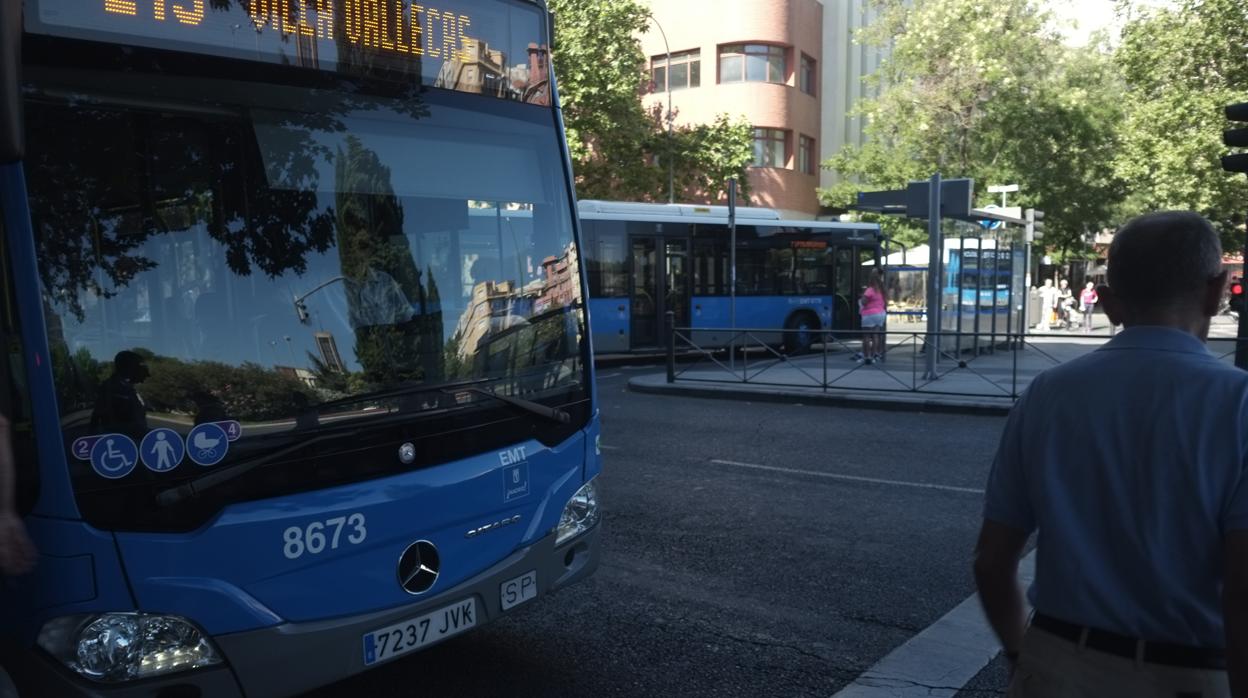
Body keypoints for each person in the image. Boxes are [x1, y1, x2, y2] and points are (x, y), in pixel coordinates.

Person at [973, 211, 1248, 698]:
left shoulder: (1047, 394)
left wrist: (1021, 656)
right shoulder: (1238, 403)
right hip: (1192, 675)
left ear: (1107, 302)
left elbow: (993, 562)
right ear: (1218, 289)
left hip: (1056, 666)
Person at [90, 350, 150, 439]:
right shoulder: (112, 388)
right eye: (138, 366)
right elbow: (100, 416)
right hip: (122, 443)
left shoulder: (128, 387)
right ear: (129, 367)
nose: (142, 371)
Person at [852, 268, 887, 365]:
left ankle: (867, 357)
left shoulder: (870, 290)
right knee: (875, 335)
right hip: (880, 314)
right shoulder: (882, 290)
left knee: (866, 336)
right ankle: (874, 355)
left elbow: (864, 302)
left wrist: (862, 297)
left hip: (869, 314)